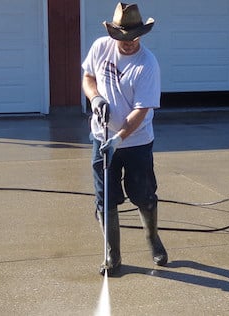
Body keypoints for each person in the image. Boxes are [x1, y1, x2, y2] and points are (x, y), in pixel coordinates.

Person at [81, 2, 167, 275]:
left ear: (142, 34)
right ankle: (112, 255)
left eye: (134, 39)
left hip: (136, 142)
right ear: (113, 33)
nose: (128, 44)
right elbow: (88, 77)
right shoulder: (100, 47)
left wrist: (118, 138)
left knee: (143, 195)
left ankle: (152, 238)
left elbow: (141, 111)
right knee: (105, 198)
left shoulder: (147, 64)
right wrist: (95, 98)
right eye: (122, 38)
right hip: (100, 137)